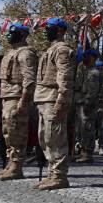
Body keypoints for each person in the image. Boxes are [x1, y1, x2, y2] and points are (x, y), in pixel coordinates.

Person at [33, 18, 76, 190]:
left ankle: (59, 176)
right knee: (45, 137)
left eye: (49, 28)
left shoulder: (62, 50)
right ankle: (52, 173)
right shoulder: (50, 50)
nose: (45, 31)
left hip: (53, 98)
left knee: (55, 137)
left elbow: (64, 77)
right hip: (43, 98)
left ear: (59, 30)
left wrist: (61, 99)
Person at [0, 23, 37, 181]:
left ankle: (17, 166)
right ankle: (10, 164)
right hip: (7, 97)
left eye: (14, 33)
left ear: (23, 35)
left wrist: (23, 102)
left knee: (17, 133)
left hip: (17, 97)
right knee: (8, 133)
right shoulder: (11, 52)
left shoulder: (25, 53)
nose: (9, 35)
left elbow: (29, 79)